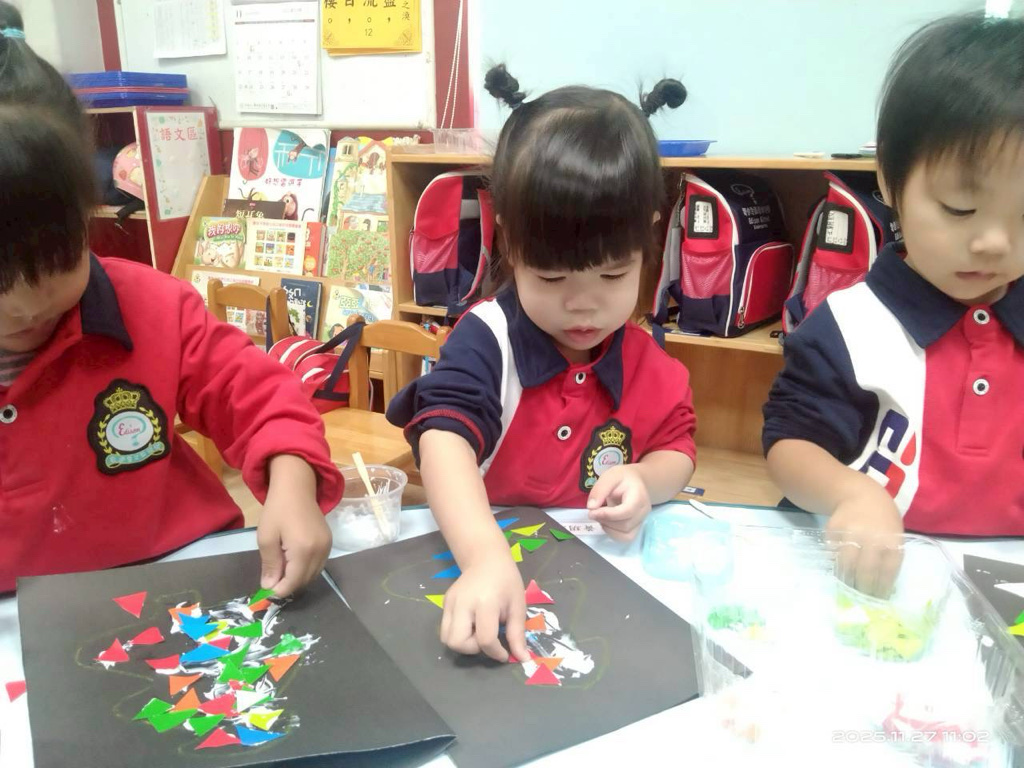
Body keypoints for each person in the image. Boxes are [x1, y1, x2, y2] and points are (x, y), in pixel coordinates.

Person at [0, 23, 342, 594]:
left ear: (85, 212)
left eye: (58, 260)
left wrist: (293, 478)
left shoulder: (158, 307)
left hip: (182, 579)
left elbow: (262, 400)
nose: (29, 305)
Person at [387, 65, 695, 662]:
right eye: (551, 278)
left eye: (613, 275)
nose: (583, 305)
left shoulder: (644, 354)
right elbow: (443, 438)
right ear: (510, 242)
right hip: (487, 571)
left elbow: (677, 446)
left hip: (594, 588)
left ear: (649, 240)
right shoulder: (488, 340)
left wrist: (646, 480)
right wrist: (483, 556)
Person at [763, 12, 1024, 595]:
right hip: (869, 579)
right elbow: (789, 444)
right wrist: (851, 494)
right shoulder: (851, 325)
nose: (994, 242)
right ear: (889, 178)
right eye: (960, 208)